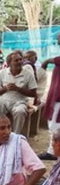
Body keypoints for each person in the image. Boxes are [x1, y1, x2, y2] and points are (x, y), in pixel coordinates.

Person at [0, 51, 37, 134]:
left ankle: (16, 136)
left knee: (20, 112)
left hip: (20, 101)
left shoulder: (28, 74)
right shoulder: (3, 73)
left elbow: (33, 93)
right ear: (9, 63)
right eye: (16, 60)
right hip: (3, 100)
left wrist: (18, 89)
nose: (20, 62)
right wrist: (5, 89)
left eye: (21, 59)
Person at [38, 33, 60, 161]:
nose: (57, 39)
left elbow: (57, 60)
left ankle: (53, 151)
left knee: (54, 124)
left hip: (59, 97)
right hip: (55, 94)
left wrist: (47, 61)